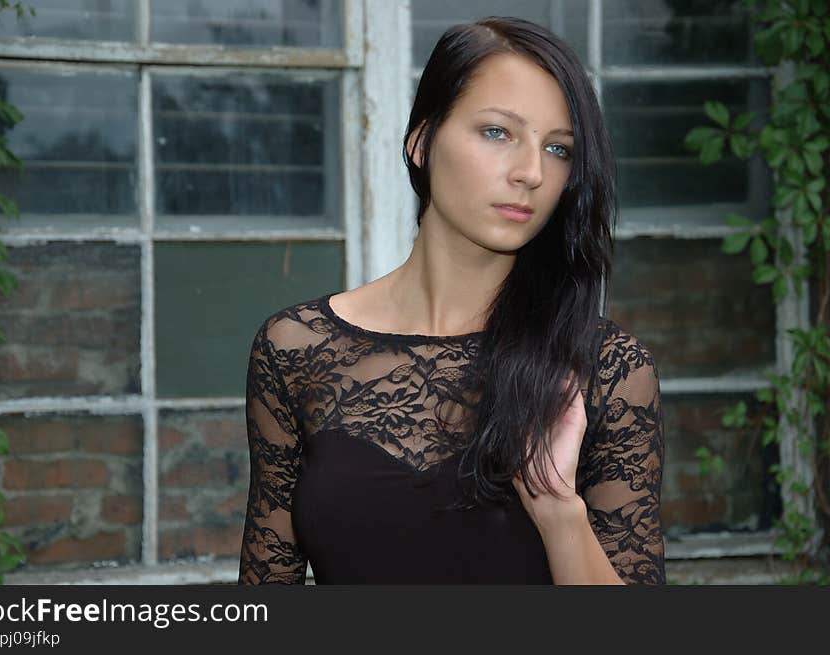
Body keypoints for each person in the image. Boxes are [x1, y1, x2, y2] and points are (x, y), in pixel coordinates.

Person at [238, 16, 665, 585]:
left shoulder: (605, 367)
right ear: (421, 141)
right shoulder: (295, 350)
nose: (532, 173)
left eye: (558, 148)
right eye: (497, 132)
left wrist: (559, 510)